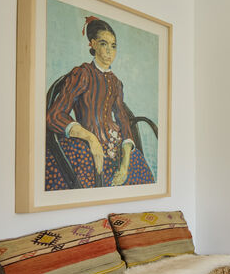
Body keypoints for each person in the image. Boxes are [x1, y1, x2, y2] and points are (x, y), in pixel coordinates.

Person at [45, 16, 156, 190]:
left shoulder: (116, 82)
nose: (109, 51)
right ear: (93, 44)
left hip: (116, 147)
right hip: (85, 145)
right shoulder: (82, 73)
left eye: (113, 46)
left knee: (140, 173)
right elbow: (55, 115)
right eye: (104, 44)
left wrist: (125, 162)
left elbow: (123, 120)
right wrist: (91, 138)